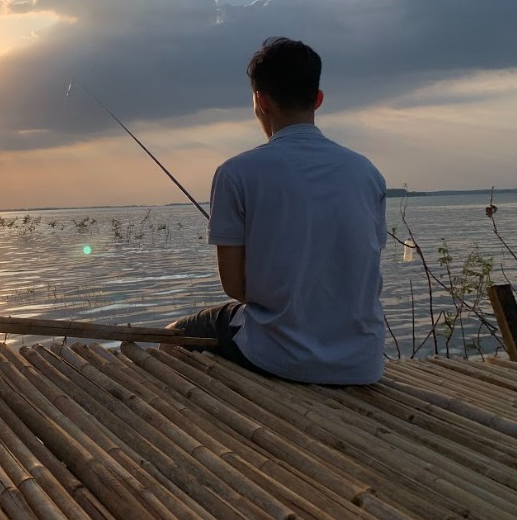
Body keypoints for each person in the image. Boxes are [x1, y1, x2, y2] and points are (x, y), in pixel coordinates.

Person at [164, 37, 387, 385]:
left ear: (260, 101)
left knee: (174, 333)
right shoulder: (367, 172)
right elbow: (363, 273)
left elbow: (235, 287)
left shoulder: (235, 173)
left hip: (280, 357)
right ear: (318, 98)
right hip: (363, 363)